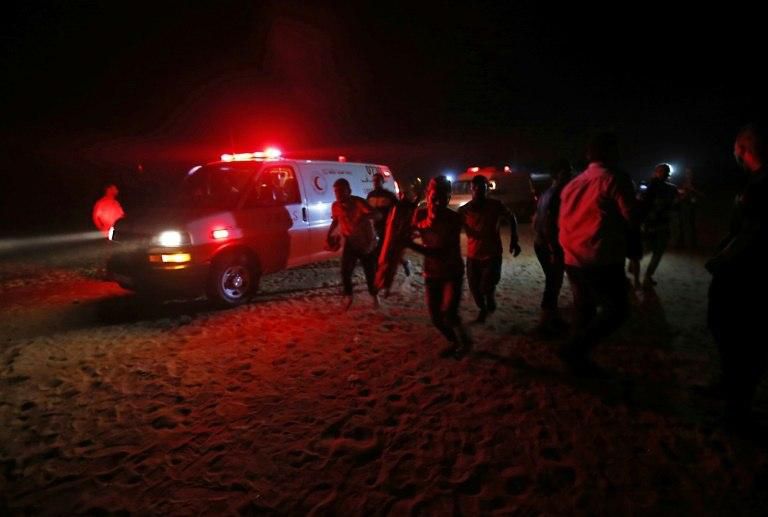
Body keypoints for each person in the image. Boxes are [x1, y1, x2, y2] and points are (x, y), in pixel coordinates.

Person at [557, 133, 641, 375]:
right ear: (613, 153)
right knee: (617, 310)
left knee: (583, 309)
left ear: (588, 156)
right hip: (600, 257)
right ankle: (574, 350)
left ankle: (576, 362)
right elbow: (632, 217)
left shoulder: (573, 184)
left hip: (573, 258)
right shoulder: (614, 178)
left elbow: (564, 221)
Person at [706, 123, 768, 428]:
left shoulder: (762, 184)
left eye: (736, 147)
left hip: (747, 274)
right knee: (730, 334)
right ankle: (730, 388)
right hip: (744, 270)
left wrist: (722, 259)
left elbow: (752, 231)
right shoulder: (755, 181)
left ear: (742, 148)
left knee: (738, 337)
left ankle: (736, 409)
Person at [407, 176, 471, 357]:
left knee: (449, 313)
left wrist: (408, 244)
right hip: (431, 273)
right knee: (435, 318)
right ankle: (455, 341)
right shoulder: (419, 214)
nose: (438, 202)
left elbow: (439, 252)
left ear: (448, 199)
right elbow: (411, 231)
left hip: (452, 272)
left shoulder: (454, 219)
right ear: (427, 196)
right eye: (434, 198)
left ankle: (464, 343)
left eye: (443, 199)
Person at [458, 174, 521, 323]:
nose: (479, 191)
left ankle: (487, 304)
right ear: (471, 189)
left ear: (487, 190)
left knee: (485, 286)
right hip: (473, 256)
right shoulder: (464, 210)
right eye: (476, 188)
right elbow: (451, 227)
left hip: (492, 255)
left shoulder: (495, 205)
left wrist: (514, 239)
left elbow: (512, 218)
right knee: (475, 289)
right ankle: (484, 308)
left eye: (483, 188)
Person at [532, 159, 572, 334]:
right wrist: (553, 249)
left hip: (542, 243)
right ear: (557, 175)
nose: (570, 175)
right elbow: (548, 222)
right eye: (566, 172)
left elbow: (536, 220)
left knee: (554, 281)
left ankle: (554, 318)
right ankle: (543, 324)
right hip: (550, 245)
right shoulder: (557, 194)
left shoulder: (546, 193)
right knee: (553, 282)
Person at [326, 178, 380, 310]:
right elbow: (336, 220)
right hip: (351, 241)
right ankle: (349, 296)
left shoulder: (358, 202)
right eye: (336, 192)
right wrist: (329, 235)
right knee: (345, 271)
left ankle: (374, 296)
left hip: (366, 243)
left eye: (341, 191)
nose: (338, 194)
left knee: (370, 273)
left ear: (349, 191)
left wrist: (364, 217)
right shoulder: (336, 206)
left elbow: (378, 215)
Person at [638, 163, 679, 288]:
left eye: (662, 171)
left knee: (650, 249)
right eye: (662, 171)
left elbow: (644, 204)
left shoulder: (651, 186)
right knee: (656, 251)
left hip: (653, 223)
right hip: (659, 223)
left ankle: (642, 273)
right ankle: (647, 276)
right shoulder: (671, 188)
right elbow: (673, 205)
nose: (663, 174)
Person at [366, 172, 411, 277]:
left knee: (388, 250)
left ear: (382, 182)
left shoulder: (389, 195)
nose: (375, 182)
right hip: (375, 227)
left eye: (378, 180)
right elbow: (367, 210)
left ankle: (403, 263)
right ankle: (380, 273)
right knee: (378, 251)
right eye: (374, 180)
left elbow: (399, 208)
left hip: (387, 227)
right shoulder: (370, 195)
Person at [676, 167, 701, 249]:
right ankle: (680, 243)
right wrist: (681, 192)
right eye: (686, 172)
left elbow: (701, 194)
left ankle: (693, 244)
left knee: (691, 224)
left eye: (689, 172)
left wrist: (693, 190)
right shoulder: (682, 181)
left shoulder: (696, 182)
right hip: (683, 204)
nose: (688, 174)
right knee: (681, 224)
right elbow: (678, 191)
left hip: (691, 205)